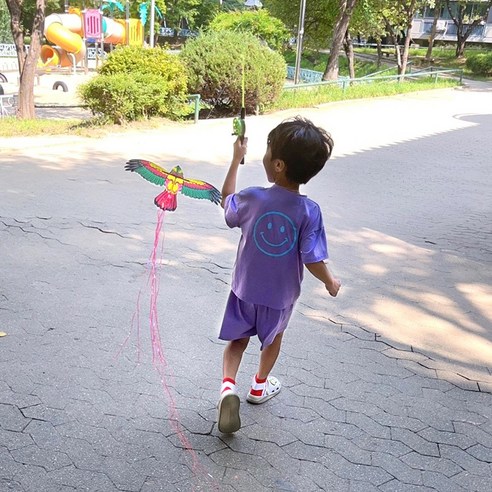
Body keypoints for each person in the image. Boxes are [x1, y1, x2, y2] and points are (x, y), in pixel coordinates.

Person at [217, 116, 341, 434]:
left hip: (244, 290)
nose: (264, 155)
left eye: (268, 150)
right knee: (272, 339)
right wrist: (329, 280)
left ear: (279, 165)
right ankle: (259, 386)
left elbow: (226, 203)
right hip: (280, 298)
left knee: (237, 340)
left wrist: (234, 160)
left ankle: (228, 388)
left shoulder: (253, 197)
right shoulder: (309, 211)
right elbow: (312, 257)